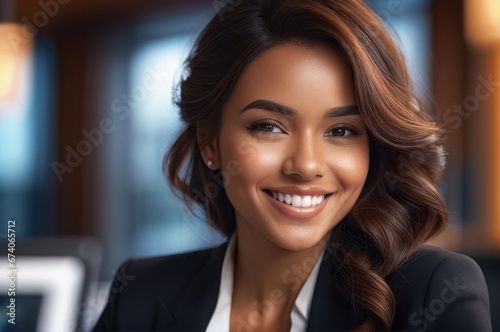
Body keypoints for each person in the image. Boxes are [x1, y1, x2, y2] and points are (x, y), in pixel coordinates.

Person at [93, 0, 492, 331]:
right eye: (268, 126)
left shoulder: (434, 290)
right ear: (208, 141)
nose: (305, 165)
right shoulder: (140, 293)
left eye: (341, 131)